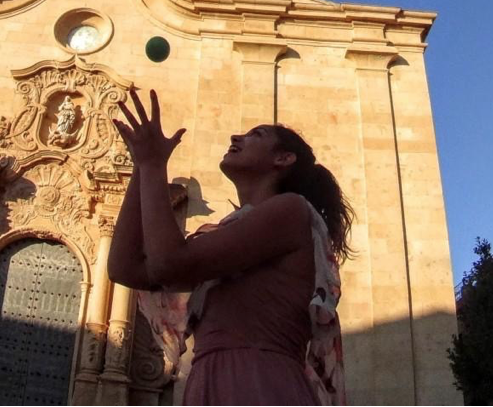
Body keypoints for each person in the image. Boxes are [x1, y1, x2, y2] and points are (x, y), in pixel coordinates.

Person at [108, 88, 351, 405]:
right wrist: (141, 167)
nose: (236, 136)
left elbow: (169, 264)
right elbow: (124, 268)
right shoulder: (231, 230)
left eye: (256, 134)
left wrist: (154, 165)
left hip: (257, 382)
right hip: (215, 381)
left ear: (283, 158)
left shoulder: (290, 211)